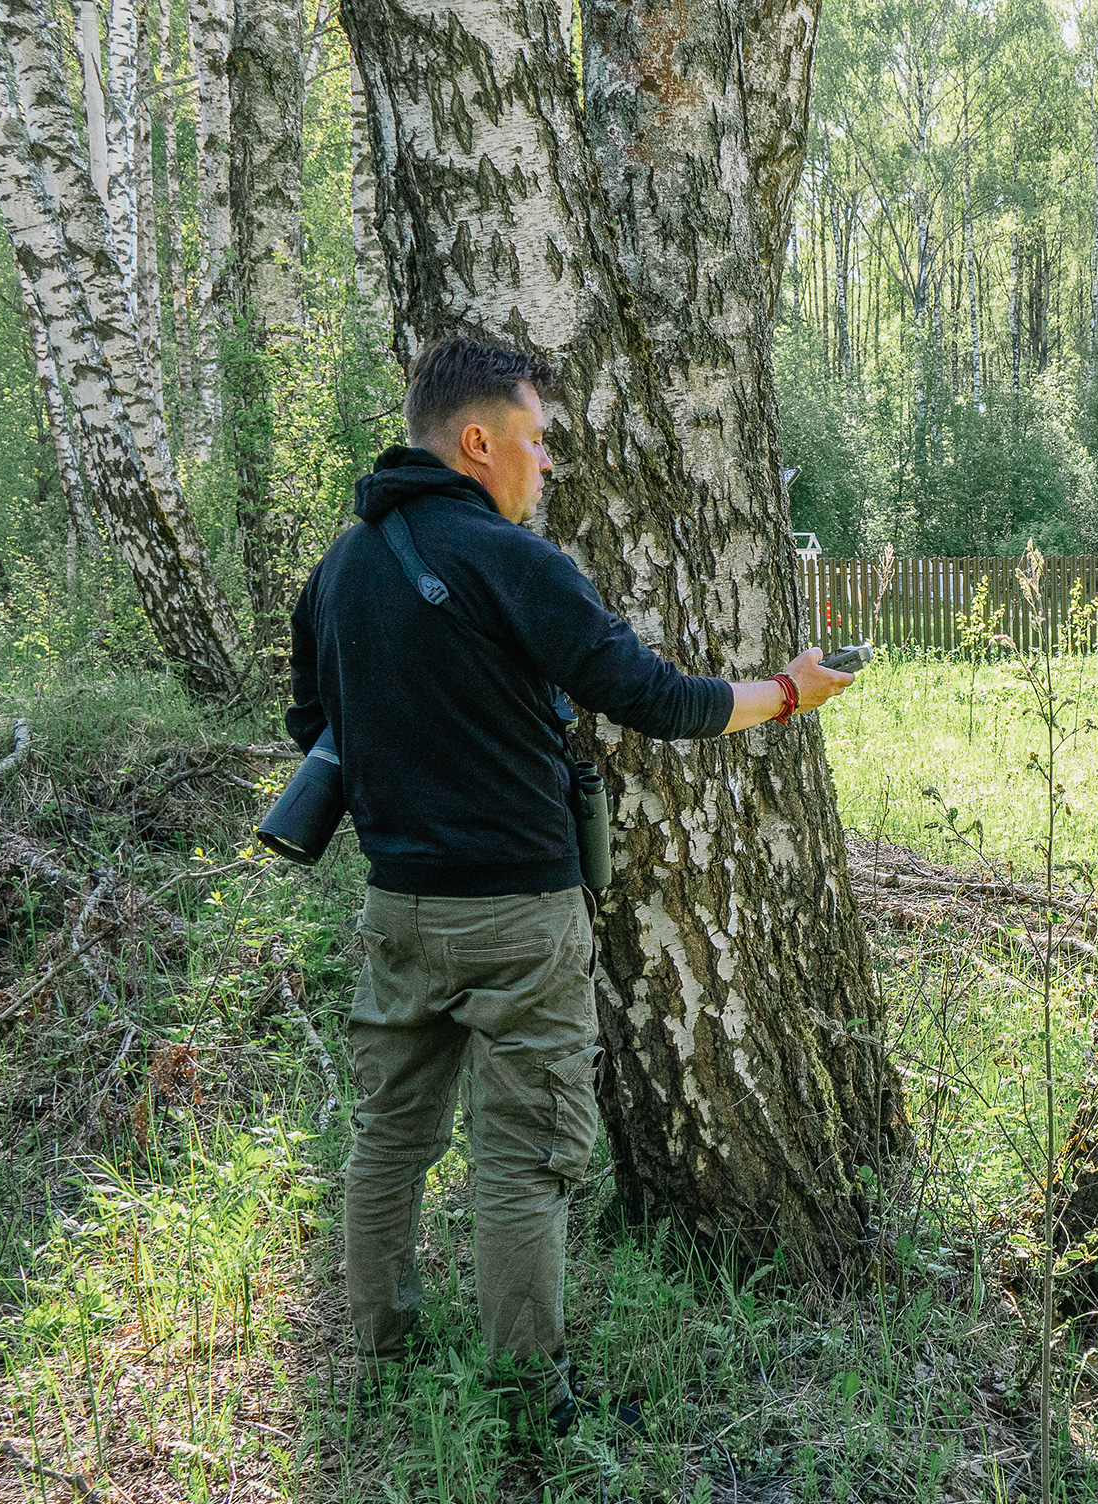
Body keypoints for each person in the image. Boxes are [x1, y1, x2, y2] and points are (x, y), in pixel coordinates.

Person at [285, 335, 855, 1418]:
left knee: (388, 1139)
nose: (546, 467)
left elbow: (312, 723)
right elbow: (655, 698)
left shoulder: (339, 568)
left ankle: (382, 1355)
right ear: (476, 440)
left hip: (395, 906)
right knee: (525, 1158)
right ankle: (528, 1401)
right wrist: (784, 692)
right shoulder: (519, 564)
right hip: (519, 912)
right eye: (537, 444)